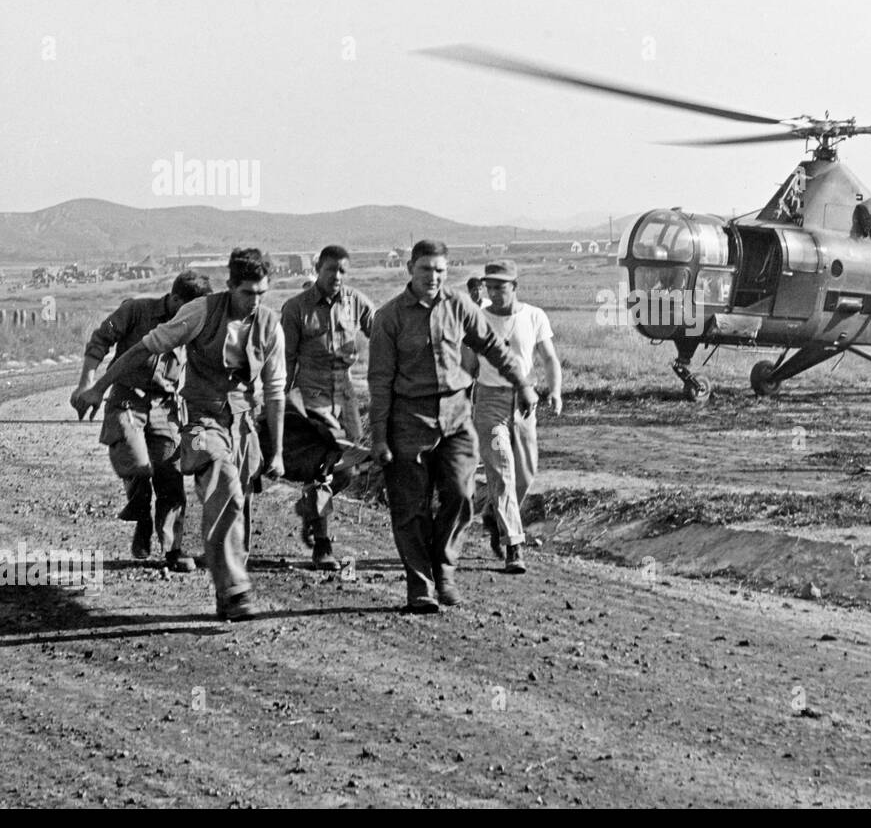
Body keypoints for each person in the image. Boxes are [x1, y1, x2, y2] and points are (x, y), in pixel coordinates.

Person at [77, 248, 286, 620]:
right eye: (247, 293)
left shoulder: (270, 325)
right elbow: (142, 349)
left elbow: (274, 391)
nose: (254, 302)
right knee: (222, 489)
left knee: (231, 501)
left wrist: (279, 452)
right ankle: (235, 587)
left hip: (238, 423)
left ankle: (224, 591)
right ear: (231, 285)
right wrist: (97, 388)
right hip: (195, 419)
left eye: (261, 294)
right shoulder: (199, 311)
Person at [368, 240, 537, 613]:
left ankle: (444, 568)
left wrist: (522, 383)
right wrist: (379, 437)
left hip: (457, 418)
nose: (434, 277)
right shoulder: (389, 317)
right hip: (408, 420)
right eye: (426, 269)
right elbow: (379, 381)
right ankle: (420, 586)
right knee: (410, 508)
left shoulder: (459, 305)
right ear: (409, 269)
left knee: (461, 495)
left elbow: (492, 345)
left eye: (441, 270)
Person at [72, 270, 213, 570]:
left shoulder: (197, 324)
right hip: (126, 400)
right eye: (190, 307)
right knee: (137, 464)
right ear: (176, 299)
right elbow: (101, 337)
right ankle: (142, 517)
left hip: (165, 405)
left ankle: (173, 550)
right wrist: (87, 383)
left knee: (170, 475)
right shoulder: (134, 310)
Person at [278, 245, 375, 570]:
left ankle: (310, 509)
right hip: (312, 398)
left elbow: (382, 334)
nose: (337, 277)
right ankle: (322, 544)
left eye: (343, 271)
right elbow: (286, 361)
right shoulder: (296, 308)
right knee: (325, 468)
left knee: (347, 469)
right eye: (331, 269)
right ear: (318, 268)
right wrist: (280, 404)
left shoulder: (356, 302)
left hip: (345, 396)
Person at [473, 259, 562, 574]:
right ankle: (513, 545)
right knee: (502, 468)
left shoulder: (534, 316)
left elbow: (549, 357)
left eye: (501, 287)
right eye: (490, 287)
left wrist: (555, 391)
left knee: (526, 472)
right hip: (490, 403)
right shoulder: (478, 319)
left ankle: (491, 514)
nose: (495, 293)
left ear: (515, 287)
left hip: (525, 405)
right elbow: (466, 362)